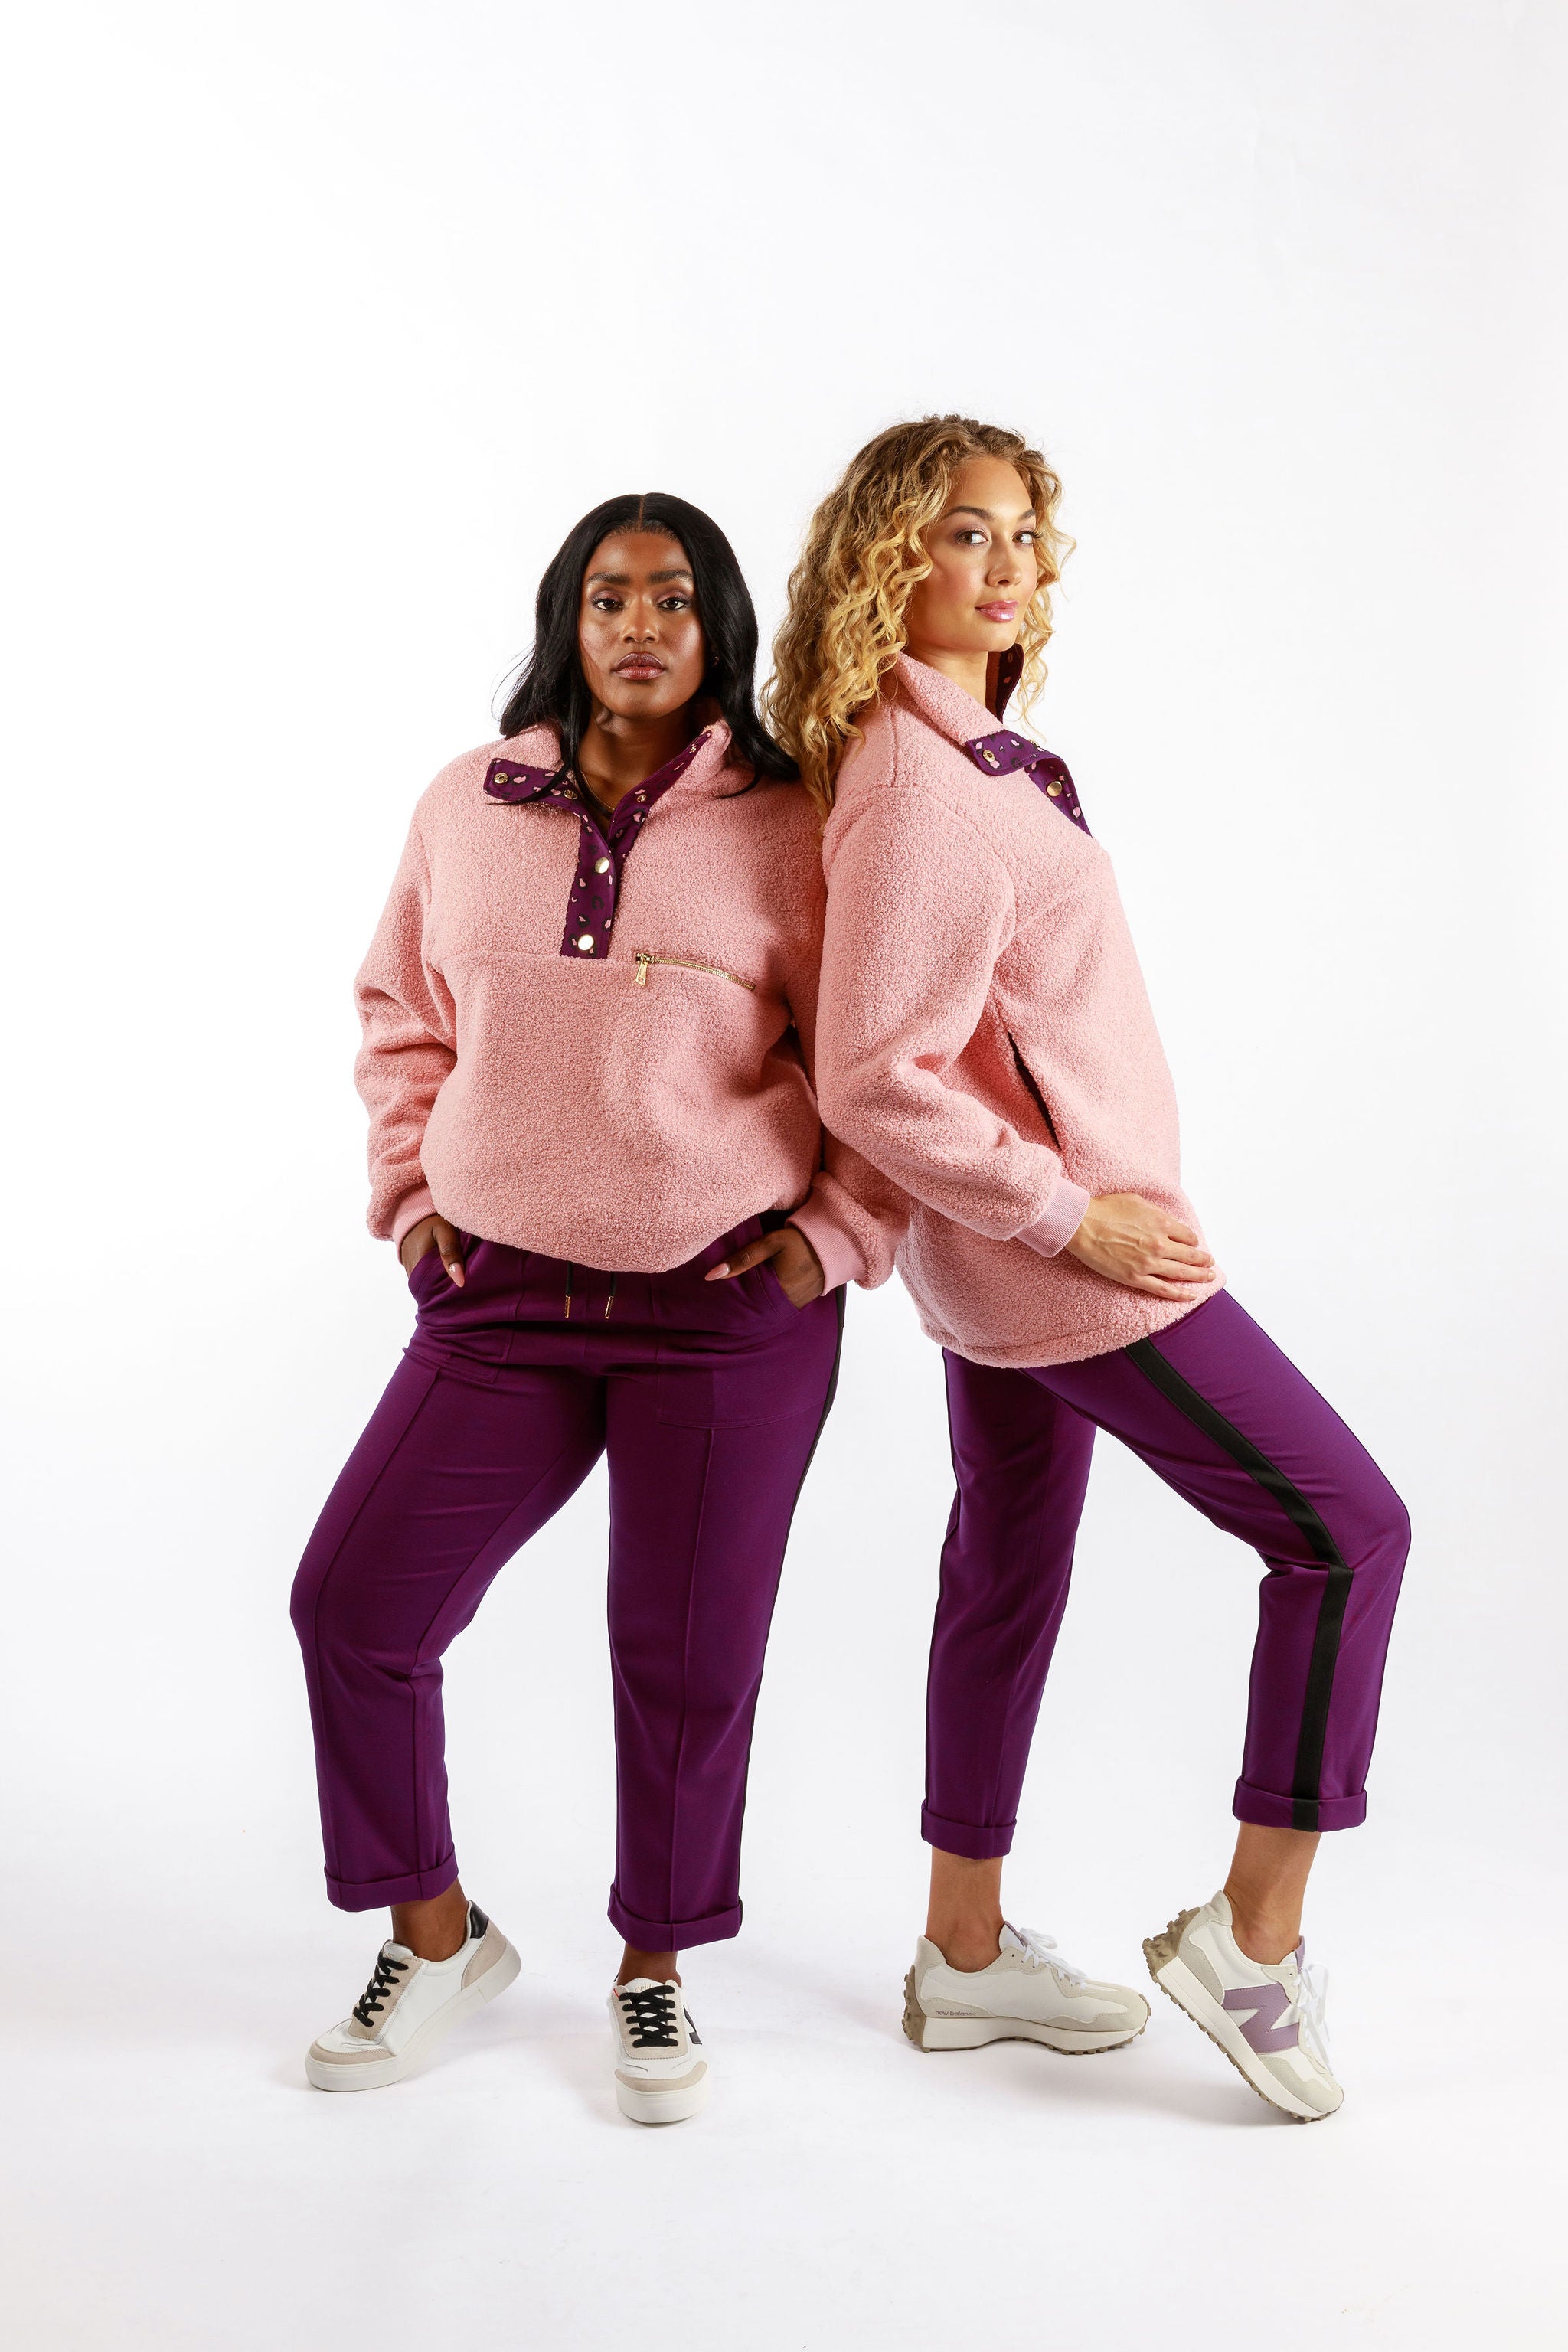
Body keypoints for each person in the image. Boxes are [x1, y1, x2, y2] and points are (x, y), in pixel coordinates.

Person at [769, 416, 1410, 2121]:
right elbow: (876, 1075)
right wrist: (1074, 1216)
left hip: (1014, 1268)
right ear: (889, 558)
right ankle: (1253, 1944)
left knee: (1003, 1577)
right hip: (1072, 1270)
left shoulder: (964, 757)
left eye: (1025, 535)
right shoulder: (919, 787)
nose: (1013, 567)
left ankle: (962, 1957)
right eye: (966, 534)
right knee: (1348, 1533)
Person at [292, 492, 897, 2124]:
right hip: (499, 1296)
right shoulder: (467, 801)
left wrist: (834, 1232)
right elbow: (399, 1014)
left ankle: (655, 1966)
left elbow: (875, 1054)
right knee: (354, 1608)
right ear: (567, 617)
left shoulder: (796, 820)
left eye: (674, 599)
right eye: (610, 597)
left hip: (726, 1299)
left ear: (720, 629)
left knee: (686, 1657)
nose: (640, 626)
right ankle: (436, 1938)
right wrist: (412, 1198)